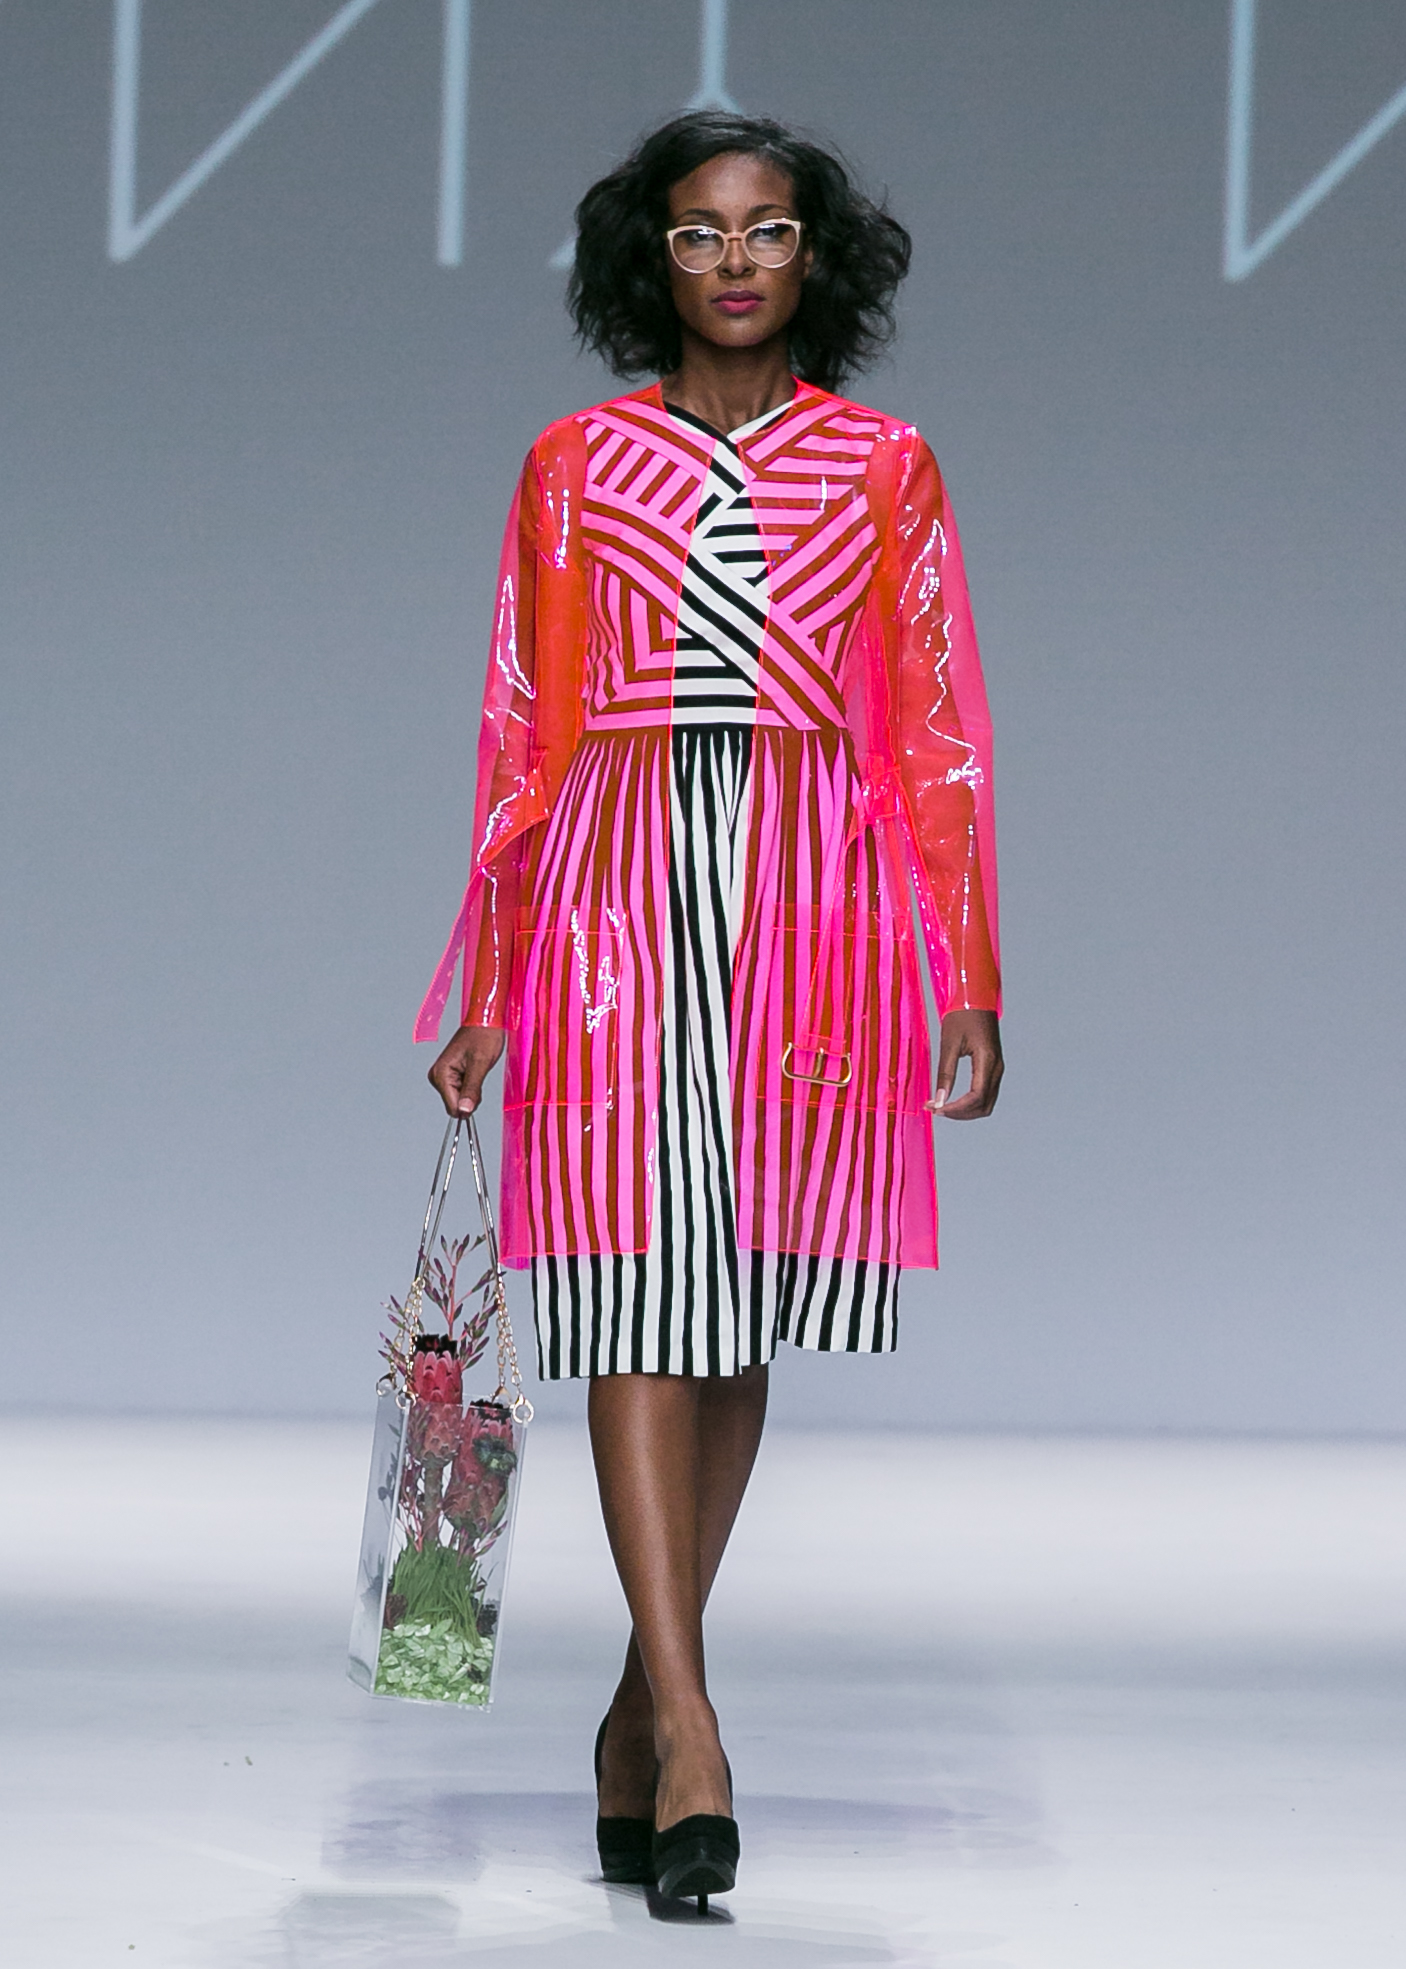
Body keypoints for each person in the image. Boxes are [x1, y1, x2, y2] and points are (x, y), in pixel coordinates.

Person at [420, 110, 1003, 1910]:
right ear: (647, 258)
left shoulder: (884, 466)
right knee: (631, 1286)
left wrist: (965, 965)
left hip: (815, 902)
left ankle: (631, 1708)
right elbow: (523, 728)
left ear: (814, 256)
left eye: (764, 231)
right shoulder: (574, 463)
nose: (733, 262)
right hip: (612, 890)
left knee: (736, 1303)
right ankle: (691, 1730)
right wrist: (491, 970)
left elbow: (931, 726)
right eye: (696, 232)